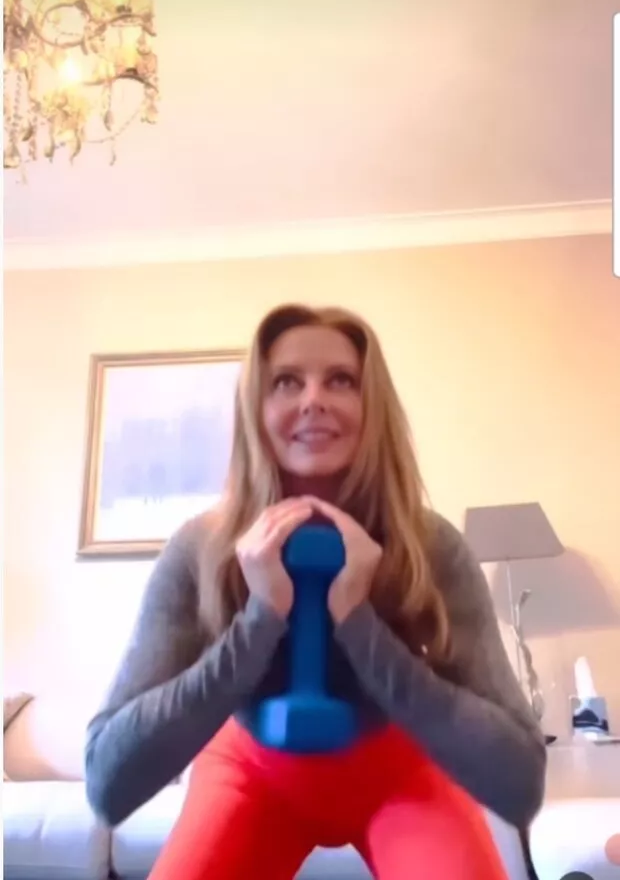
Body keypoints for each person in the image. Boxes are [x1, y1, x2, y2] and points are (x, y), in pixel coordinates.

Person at [84, 303, 546, 880]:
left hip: (402, 771)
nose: (313, 400)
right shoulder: (200, 550)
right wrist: (259, 622)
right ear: (257, 407)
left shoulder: (431, 548)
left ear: (372, 405)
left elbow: (520, 782)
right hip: (251, 770)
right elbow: (108, 784)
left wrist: (360, 625)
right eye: (286, 381)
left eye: (341, 380)